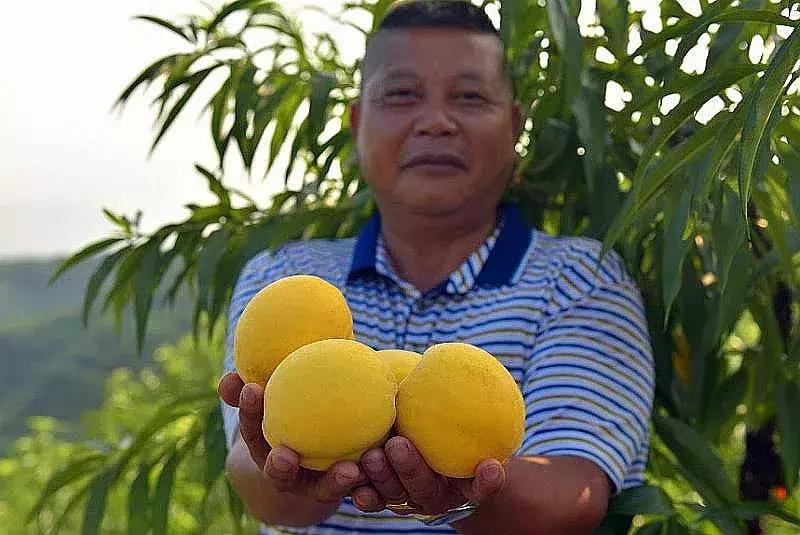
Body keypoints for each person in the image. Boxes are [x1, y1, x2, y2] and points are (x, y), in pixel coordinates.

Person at [217, 1, 655, 533]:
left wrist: (465, 490)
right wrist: (284, 466)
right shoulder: (283, 274)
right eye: (402, 94)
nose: (436, 122)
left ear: (514, 125)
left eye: (469, 97)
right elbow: (261, 482)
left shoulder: (581, 280)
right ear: (358, 123)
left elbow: (573, 494)